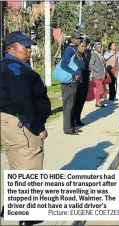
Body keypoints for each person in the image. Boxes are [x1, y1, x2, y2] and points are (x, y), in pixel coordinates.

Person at [0, 31, 51, 226]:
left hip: (8, 121)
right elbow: (23, 101)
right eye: (24, 47)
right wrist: (37, 127)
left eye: (29, 47)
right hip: (20, 122)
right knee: (29, 164)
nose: (29, 50)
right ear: (11, 48)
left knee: (16, 164)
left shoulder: (7, 65)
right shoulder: (16, 69)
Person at [60, 32, 83, 135]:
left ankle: (71, 126)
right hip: (69, 82)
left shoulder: (74, 49)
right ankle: (68, 129)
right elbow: (64, 65)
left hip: (74, 82)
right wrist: (74, 74)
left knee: (72, 105)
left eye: (79, 38)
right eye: (77, 39)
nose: (79, 40)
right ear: (72, 39)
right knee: (68, 105)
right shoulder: (69, 49)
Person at [73, 41, 89, 127]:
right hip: (77, 83)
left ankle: (78, 119)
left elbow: (86, 67)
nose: (84, 48)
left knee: (81, 102)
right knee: (75, 102)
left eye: (85, 46)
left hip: (85, 83)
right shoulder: (73, 57)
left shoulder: (85, 57)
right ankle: (73, 120)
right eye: (82, 46)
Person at [89, 42, 107, 107]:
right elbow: (91, 64)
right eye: (98, 47)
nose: (100, 48)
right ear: (95, 48)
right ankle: (97, 102)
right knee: (99, 89)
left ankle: (98, 101)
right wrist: (98, 69)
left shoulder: (100, 54)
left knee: (101, 89)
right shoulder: (94, 54)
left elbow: (102, 64)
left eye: (100, 47)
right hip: (96, 75)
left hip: (102, 74)